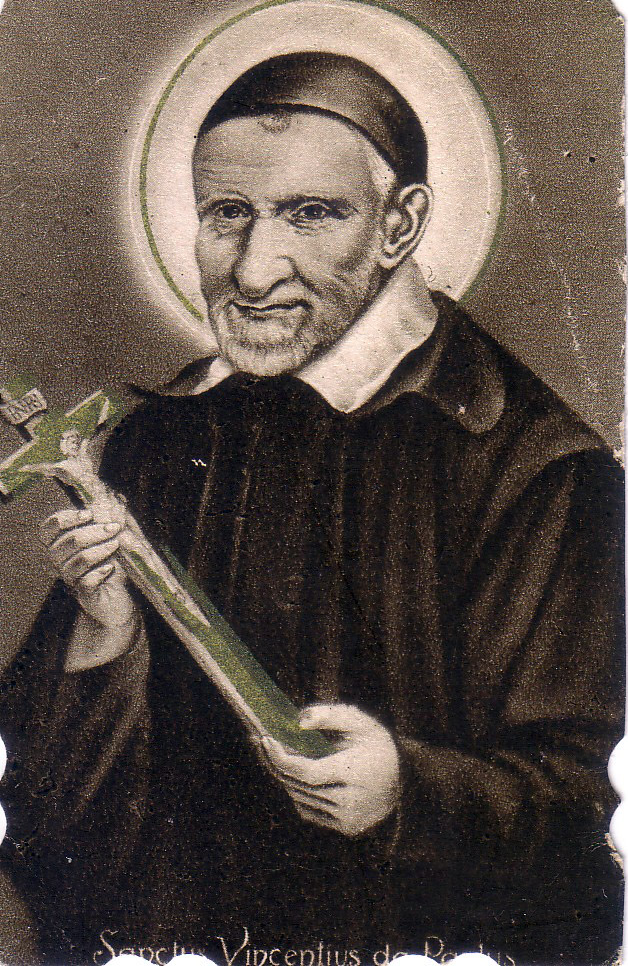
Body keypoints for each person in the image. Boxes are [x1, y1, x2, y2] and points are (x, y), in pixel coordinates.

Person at [0, 53, 623, 966]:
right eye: (227, 214)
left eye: (311, 214)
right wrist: (106, 640)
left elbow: (588, 807)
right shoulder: (157, 439)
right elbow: (38, 809)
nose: (254, 272)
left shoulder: (532, 467)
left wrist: (409, 790)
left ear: (399, 225)